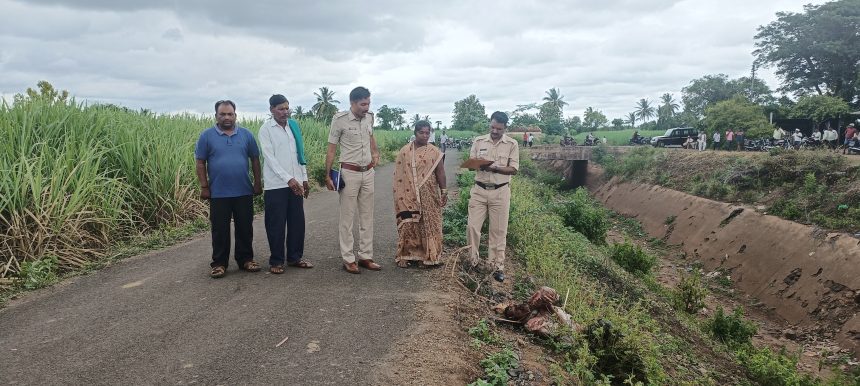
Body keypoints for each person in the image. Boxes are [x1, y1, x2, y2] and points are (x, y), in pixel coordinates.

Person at [195, 100, 263, 278]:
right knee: (219, 230)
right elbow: (200, 162)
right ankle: (219, 263)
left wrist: (257, 182)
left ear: (235, 115)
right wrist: (204, 186)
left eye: (230, 114)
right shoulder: (207, 136)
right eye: (222, 114)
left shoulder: (247, 135)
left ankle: (246, 259)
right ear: (216, 116)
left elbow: (255, 160)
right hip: (218, 193)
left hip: (243, 191)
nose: (226, 117)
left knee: (244, 228)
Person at [325, 86, 382, 274]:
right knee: (347, 217)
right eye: (362, 104)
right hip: (349, 173)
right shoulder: (339, 120)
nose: (366, 107)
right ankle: (348, 258)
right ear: (352, 103)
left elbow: (370, 136)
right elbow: (332, 148)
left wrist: (375, 152)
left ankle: (366, 256)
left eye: (368, 103)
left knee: (367, 216)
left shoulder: (370, 117)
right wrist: (327, 175)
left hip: (368, 173)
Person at [259, 94, 313, 274]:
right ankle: (276, 261)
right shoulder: (266, 130)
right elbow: (270, 159)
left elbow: (300, 155)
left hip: (296, 183)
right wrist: (288, 179)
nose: (285, 112)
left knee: (297, 222)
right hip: (276, 185)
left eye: (287, 108)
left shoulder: (294, 127)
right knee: (276, 224)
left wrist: (303, 178)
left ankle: (295, 257)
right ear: (272, 110)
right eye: (280, 109)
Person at [467, 111, 519, 283]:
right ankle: (472, 261)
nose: (495, 131)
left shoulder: (512, 144)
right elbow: (470, 164)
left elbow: (513, 169)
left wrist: (496, 168)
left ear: (505, 128)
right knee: (472, 227)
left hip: (500, 191)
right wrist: (478, 164)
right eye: (493, 127)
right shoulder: (479, 141)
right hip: (479, 190)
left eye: (499, 129)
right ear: (490, 124)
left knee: (498, 231)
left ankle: (496, 267)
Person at [393, 121, 447, 268]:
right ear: (415, 133)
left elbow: (440, 172)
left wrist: (444, 190)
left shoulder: (434, 151)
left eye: (427, 133)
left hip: (428, 193)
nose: (424, 136)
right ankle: (406, 254)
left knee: (428, 223)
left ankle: (427, 255)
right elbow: (399, 175)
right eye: (421, 133)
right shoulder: (405, 151)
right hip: (407, 193)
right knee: (409, 222)